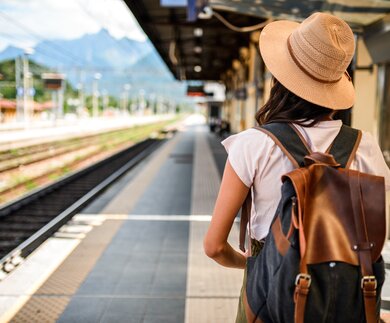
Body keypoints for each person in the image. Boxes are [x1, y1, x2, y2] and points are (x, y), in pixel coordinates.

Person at [203, 12, 390, 322]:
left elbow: (214, 246)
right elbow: (375, 235)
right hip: (344, 297)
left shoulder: (253, 144)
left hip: (268, 300)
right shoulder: (365, 146)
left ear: (280, 80)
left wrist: (253, 263)